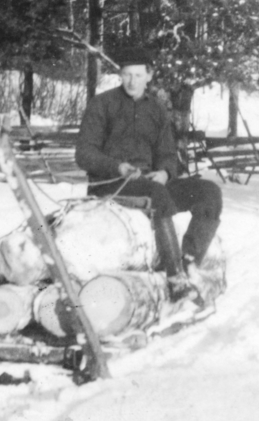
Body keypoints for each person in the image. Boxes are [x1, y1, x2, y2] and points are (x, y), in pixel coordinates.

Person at [75, 46, 222, 299]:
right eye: (127, 75)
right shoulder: (102, 105)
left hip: (149, 183)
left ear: (149, 76)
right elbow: (84, 154)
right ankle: (175, 278)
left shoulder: (156, 110)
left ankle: (188, 260)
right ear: (120, 75)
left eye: (138, 75)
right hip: (111, 183)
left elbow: (167, 154)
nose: (132, 81)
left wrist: (165, 172)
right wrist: (117, 167)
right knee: (156, 194)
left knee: (209, 193)